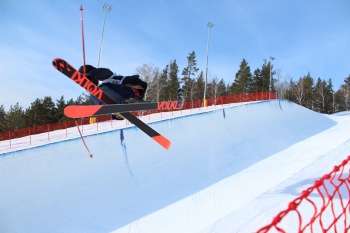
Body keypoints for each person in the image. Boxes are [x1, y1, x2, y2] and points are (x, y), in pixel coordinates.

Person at [79, 65, 147, 120]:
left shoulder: (107, 78)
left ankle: (128, 102)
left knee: (99, 90)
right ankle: (115, 113)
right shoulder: (97, 91)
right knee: (93, 96)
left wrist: (92, 74)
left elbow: (105, 73)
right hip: (121, 100)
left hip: (132, 92)